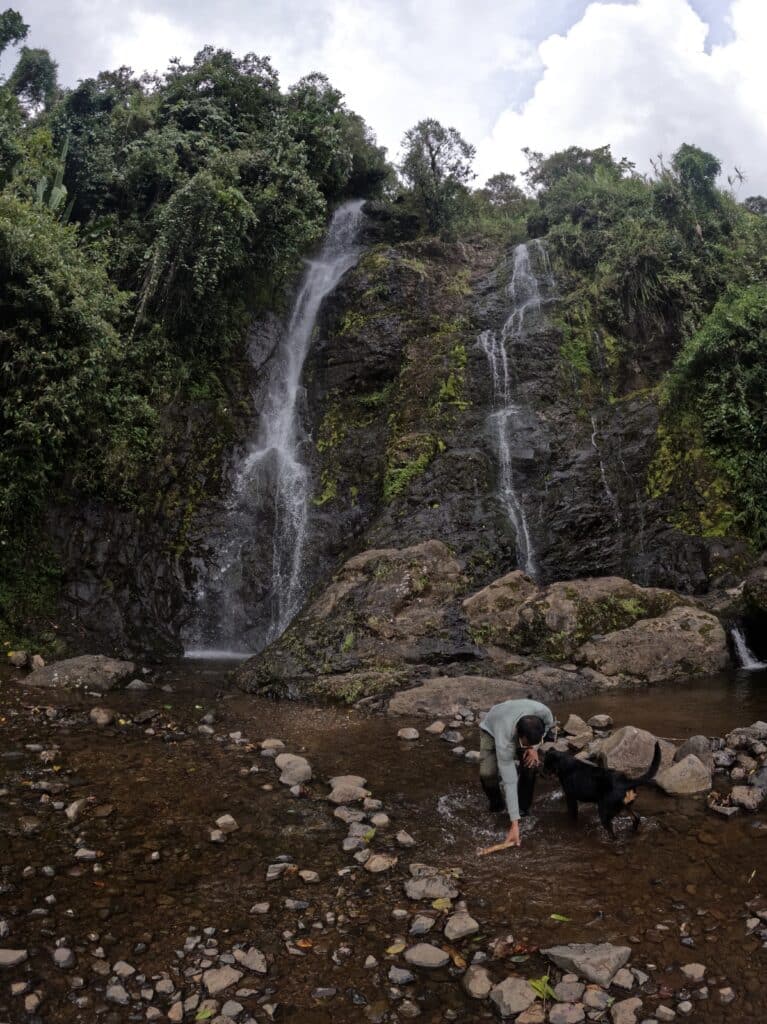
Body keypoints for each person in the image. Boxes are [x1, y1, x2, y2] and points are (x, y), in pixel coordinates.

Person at [478, 698, 554, 852]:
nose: (526, 747)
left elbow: (547, 729)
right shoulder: (504, 739)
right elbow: (510, 781)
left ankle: (523, 809)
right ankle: (497, 806)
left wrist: (533, 748)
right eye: (525, 744)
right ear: (518, 736)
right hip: (492, 728)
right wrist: (514, 824)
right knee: (487, 773)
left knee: (531, 765)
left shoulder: (544, 713)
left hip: (521, 728)